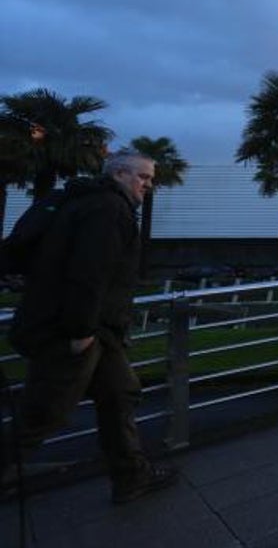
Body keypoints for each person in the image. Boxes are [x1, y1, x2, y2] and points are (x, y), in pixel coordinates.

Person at [7, 151, 178, 503]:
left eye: (150, 178)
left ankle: (132, 476)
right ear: (118, 174)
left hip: (97, 331)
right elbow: (89, 275)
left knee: (120, 393)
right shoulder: (108, 210)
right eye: (142, 177)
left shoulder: (82, 203)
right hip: (77, 332)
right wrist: (80, 331)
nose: (148, 185)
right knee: (40, 415)